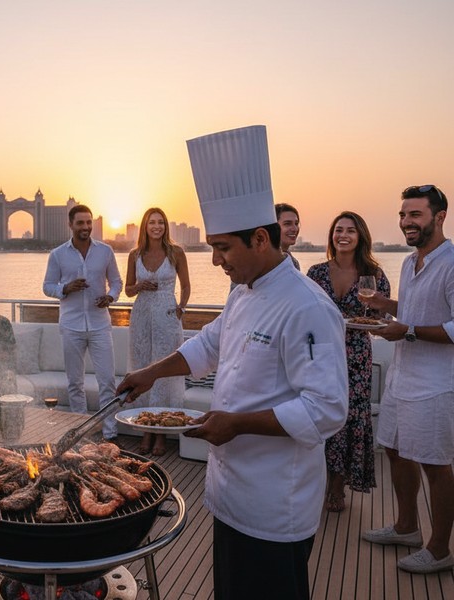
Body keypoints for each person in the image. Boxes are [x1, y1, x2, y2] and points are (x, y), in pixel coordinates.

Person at [119, 125, 348, 600]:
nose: (216, 260)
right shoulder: (245, 292)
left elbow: (326, 409)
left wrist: (236, 424)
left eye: (223, 248)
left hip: (274, 503)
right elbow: (207, 345)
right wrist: (148, 374)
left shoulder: (307, 306)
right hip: (228, 494)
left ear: (260, 239)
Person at [361, 184, 454, 574]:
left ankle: (439, 550)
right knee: (397, 450)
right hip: (403, 374)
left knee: (436, 464)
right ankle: (406, 527)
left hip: (435, 383)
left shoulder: (451, 261)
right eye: (403, 215)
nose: (406, 222)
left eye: (415, 214)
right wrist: (388, 306)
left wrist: (409, 329)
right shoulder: (408, 262)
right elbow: (417, 310)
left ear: (439, 216)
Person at [307, 211, 390, 512]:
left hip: (356, 355)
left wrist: (371, 316)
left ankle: (336, 487)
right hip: (321, 353)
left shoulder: (375, 275)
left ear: (360, 237)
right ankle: (314, 481)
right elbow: (304, 313)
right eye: (338, 230)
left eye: (350, 231)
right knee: (318, 414)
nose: (343, 235)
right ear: (332, 236)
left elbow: (380, 318)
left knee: (349, 418)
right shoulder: (316, 273)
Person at [43, 204, 123, 440]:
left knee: (107, 381)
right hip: (71, 326)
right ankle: (81, 434)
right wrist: (65, 288)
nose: (86, 227)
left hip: (100, 324)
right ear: (71, 225)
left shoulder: (106, 251)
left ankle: (110, 433)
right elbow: (47, 286)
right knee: (75, 383)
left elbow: (116, 282)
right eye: (80, 223)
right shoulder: (57, 255)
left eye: (89, 222)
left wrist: (111, 297)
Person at [125, 207, 191, 456]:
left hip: (166, 314)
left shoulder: (176, 252)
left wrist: (181, 309)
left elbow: (185, 286)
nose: (156, 226)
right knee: (142, 366)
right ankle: (145, 428)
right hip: (141, 314)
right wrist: (139, 285)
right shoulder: (134, 254)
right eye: (152, 222)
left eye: (161, 222)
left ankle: (160, 433)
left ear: (165, 226)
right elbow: (128, 291)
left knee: (163, 371)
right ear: (145, 226)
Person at [275, 202, 301, 269]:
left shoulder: (294, 262)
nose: (294, 229)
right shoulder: (264, 262)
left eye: (296, 223)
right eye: (287, 224)